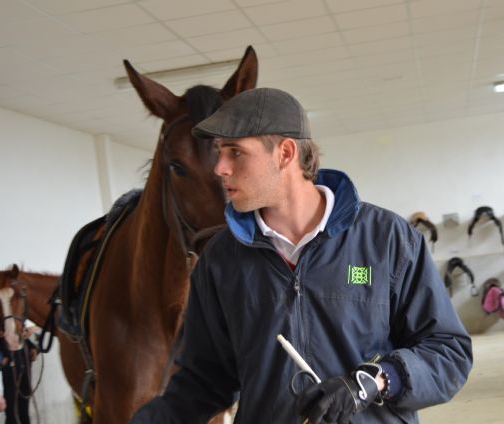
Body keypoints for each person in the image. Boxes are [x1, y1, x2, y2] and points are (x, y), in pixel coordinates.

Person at [130, 87, 472, 424]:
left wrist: (375, 380)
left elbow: (448, 350)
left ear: (285, 153)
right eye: (219, 151)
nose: (220, 167)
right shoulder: (220, 261)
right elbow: (205, 379)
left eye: (235, 152)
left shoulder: (387, 238)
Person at [0, 320, 38, 424]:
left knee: (24, 410)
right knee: (12, 411)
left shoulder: (15, 315)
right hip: (7, 368)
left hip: (23, 365)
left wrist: (33, 349)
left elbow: (25, 335)